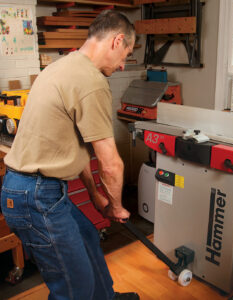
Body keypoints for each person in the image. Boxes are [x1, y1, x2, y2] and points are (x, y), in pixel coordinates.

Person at [1, 10, 139, 300]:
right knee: (75, 288)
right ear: (116, 41)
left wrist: (94, 196)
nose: (124, 64)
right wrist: (115, 206)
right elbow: (111, 164)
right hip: (35, 196)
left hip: (37, 191)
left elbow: (76, 148)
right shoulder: (90, 81)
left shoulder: (66, 66)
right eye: (125, 54)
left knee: (88, 237)